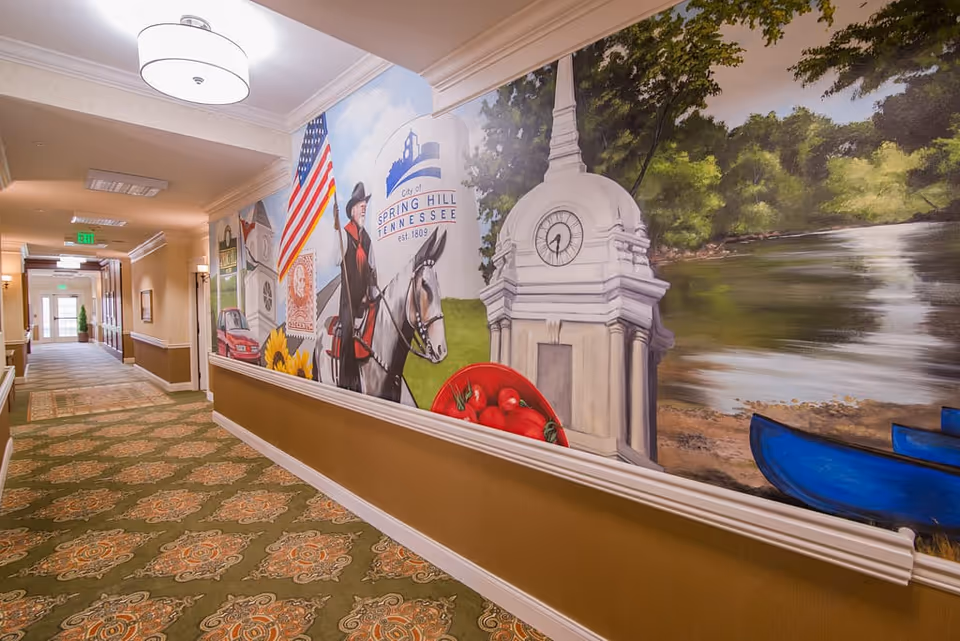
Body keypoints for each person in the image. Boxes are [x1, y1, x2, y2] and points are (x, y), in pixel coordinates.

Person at [338, 182, 379, 393]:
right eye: (361, 206)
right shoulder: (344, 235)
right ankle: (347, 380)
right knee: (347, 333)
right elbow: (336, 259)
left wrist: (373, 293)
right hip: (349, 301)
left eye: (365, 206)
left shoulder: (368, 240)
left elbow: (372, 269)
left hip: (364, 299)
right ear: (353, 210)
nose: (364, 209)